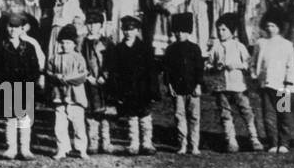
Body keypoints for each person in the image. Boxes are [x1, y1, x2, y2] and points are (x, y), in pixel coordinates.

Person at [205, 14, 262, 153]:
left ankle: (254, 138)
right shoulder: (215, 47)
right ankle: (231, 140)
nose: (220, 32)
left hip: (237, 84)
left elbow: (248, 64)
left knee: (245, 110)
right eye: (218, 29)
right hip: (221, 85)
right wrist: (214, 67)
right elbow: (208, 64)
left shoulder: (239, 46)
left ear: (231, 31)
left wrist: (235, 65)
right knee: (225, 112)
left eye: (224, 29)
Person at [108, 15, 160, 155]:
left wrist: (153, 91)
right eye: (125, 29)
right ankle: (134, 144)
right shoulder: (118, 49)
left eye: (131, 29)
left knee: (145, 116)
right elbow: (115, 71)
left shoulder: (146, 48)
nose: (128, 32)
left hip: (142, 89)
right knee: (131, 116)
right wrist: (117, 91)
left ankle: (147, 143)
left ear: (137, 31)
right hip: (127, 89)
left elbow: (152, 72)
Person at [0, 13, 43, 160]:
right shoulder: (1, 46)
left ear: (22, 29)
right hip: (8, 87)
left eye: (16, 27)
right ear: (6, 27)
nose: (13, 30)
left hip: (25, 87)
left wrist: (30, 82)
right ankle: (11, 148)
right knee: (10, 119)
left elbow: (35, 68)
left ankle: (25, 149)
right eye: (10, 26)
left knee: (24, 118)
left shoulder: (28, 47)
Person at [252, 10, 294, 153]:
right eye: (267, 26)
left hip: (282, 86)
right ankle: (272, 142)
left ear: (279, 27)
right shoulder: (261, 43)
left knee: (283, 114)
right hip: (266, 85)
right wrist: (255, 76)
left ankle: (284, 143)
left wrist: (288, 81)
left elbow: (291, 65)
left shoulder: (286, 44)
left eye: (272, 26)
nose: (269, 29)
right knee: (268, 115)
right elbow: (254, 62)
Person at [163, 12, 204, 155]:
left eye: (183, 31)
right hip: (177, 89)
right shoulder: (170, 49)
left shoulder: (195, 48)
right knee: (179, 116)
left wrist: (198, 85)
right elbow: (166, 70)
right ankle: (182, 144)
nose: (180, 34)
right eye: (177, 31)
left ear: (189, 32)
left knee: (194, 117)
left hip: (193, 89)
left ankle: (194, 145)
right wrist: (169, 85)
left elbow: (200, 69)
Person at [44, 24, 88, 159]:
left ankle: (81, 149)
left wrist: (66, 79)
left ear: (74, 44)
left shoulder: (78, 58)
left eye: (68, 43)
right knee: (60, 125)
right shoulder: (54, 58)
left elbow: (82, 76)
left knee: (78, 124)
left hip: (75, 96)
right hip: (59, 95)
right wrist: (55, 77)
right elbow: (48, 72)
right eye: (62, 43)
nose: (65, 46)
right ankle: (62, 149)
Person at [80, 10, 114, 153]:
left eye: (95, 24)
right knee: (91, 111)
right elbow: (80, 61)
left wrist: (104, 76)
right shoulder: (82, 43)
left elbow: (111, 62)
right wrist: (88, 76)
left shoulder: (107, 42)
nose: (92, 26)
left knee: (105, 112)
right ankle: (92, 141)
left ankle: (106, 141)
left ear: (101, 25)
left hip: (104, 82)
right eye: (89, 23)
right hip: (89, 81)